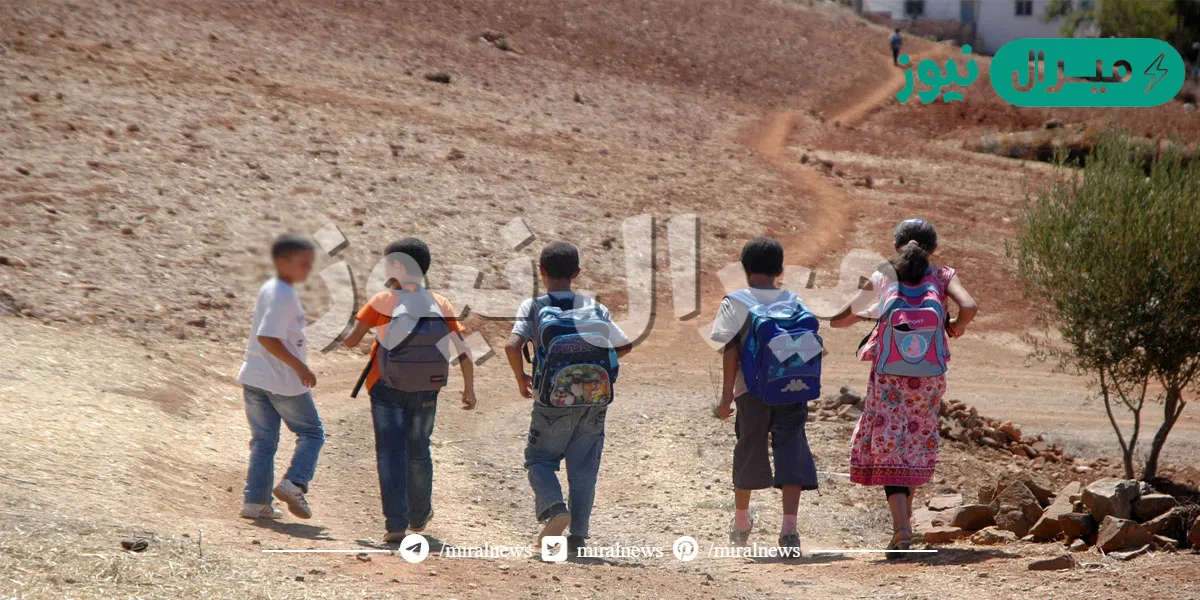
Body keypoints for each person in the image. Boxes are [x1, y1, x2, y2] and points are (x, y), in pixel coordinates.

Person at [829, 218, 977, 557]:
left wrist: (858, 316)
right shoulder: (942, 276)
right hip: (928, 376)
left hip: (888, 376)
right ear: (934, 249)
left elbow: (842, 319)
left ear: (897, 245)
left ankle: (902, 530)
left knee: (888, 444)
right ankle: (905, 527)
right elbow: (969, 306)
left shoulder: (884, 276)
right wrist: (955, 327)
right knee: (911, 441)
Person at [343, 238, 476, 543]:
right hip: (427, 390)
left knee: (390, 453)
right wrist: (469, 387)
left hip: (385, 387)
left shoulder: (382, 300)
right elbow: (463, 349)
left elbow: (351, 341)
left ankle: (395, 525)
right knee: (419, 449)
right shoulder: (441, 303)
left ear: (400, 266)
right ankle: (419, 515)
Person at [503, 241, 632, 555]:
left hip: (552, 400)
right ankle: (578, 536)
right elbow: (624, 344)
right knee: (584, 467)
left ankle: (554, 508)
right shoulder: (595, 308)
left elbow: (511, 345)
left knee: (539, 459)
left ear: (542, 271)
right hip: (594, 400)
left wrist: (522, 377)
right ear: (576, 273)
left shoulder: (533, 306)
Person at [711, 237, 819, 553]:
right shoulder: (795, 301)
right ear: (779, 269)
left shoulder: (735, 302)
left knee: (749, 448)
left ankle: (742, 521)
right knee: (792, 450)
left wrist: (726, 396)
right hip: (793, 389)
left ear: (745, 269)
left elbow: (729, 351)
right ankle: (789, 531)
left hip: (752, 392)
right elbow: (813, 346)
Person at [235, 234, 326, 520]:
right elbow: (268, 336)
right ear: (282, 261)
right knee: (312, 432)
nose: (308, 270)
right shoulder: (284, 295)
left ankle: (255, 502)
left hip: (254, 376)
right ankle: (294, 483)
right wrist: (299, 366)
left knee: (263, 441)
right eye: (303, 264)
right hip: (282, 380)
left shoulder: (271, 288)